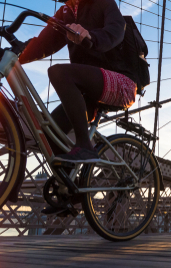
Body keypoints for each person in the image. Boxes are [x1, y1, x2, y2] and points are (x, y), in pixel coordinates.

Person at [20, 0, 138, 214]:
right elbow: (42, 44)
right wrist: (15, 54)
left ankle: (85, 145)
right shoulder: (65, 12)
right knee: (49, 132)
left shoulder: (102, 2)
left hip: (122, 82)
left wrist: (91, 37)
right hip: (87, 90)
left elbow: (116, 30)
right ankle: (71, 194)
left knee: (59, 72)